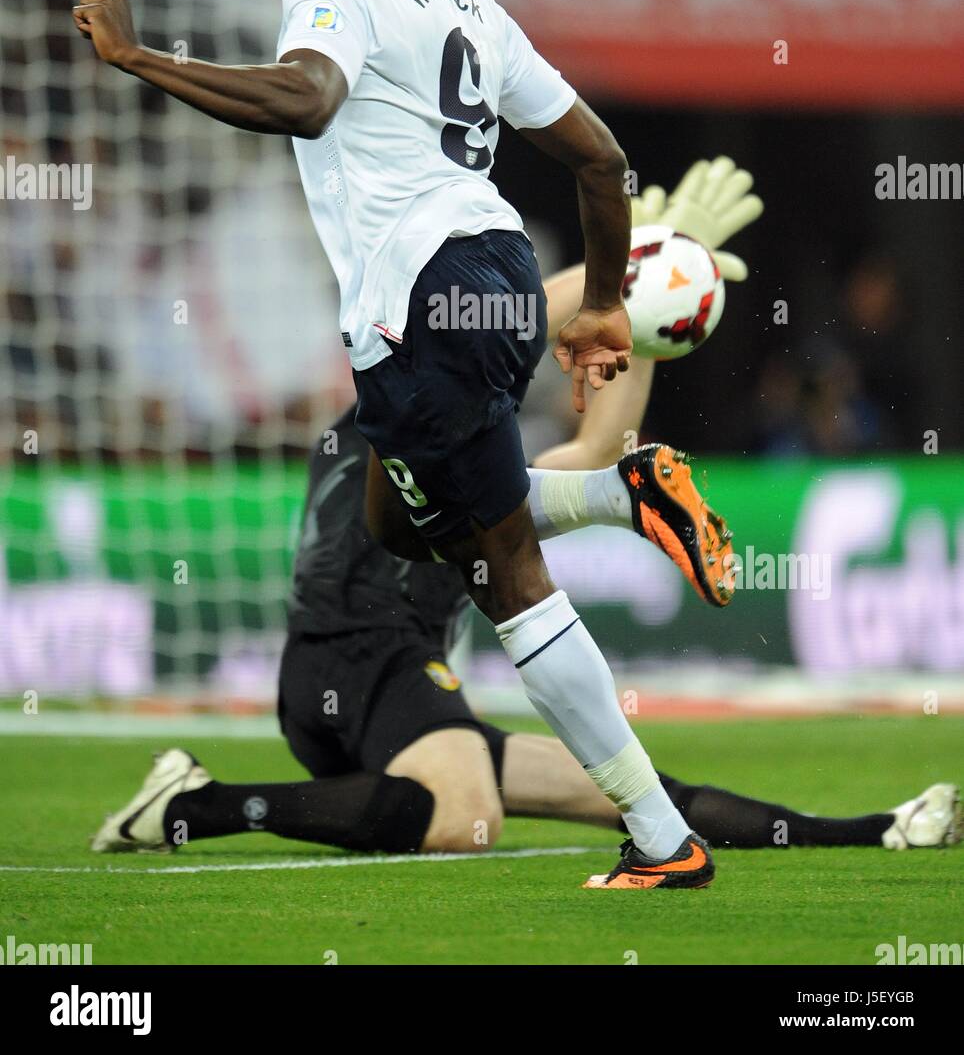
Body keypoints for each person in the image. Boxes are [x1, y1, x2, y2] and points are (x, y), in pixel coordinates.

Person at [91, 165, 962, 862]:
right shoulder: (390, 413)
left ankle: (877, 829)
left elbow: (594, 441)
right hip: (353, 671)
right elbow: (527, 311)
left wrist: (642, 312)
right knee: (462, 811)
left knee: (636, 788)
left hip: (411, 691)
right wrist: (640, 256)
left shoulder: (461, 431)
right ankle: (192, 806)